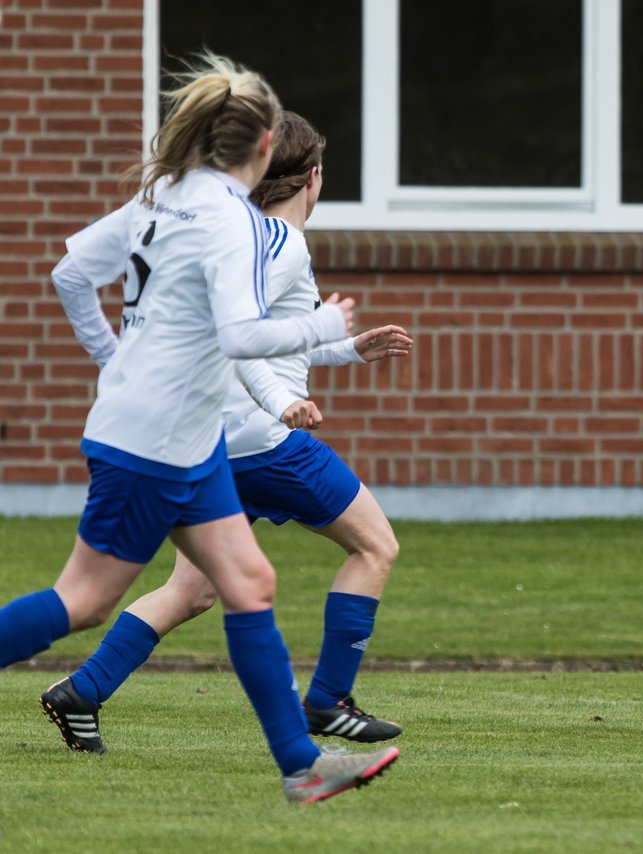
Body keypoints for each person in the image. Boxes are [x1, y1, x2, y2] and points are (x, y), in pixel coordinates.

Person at [0, 54, 398, 802]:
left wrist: (115, 359)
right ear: (261, 149)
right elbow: (240, 336)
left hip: (186, 436)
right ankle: (302, 760)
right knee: (82, 601)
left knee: (249, 581)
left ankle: (303, 768)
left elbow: (69, 273)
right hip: (154, 441)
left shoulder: (165, 194)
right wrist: (324, 323)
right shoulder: (231, 221)